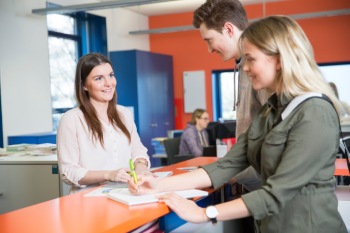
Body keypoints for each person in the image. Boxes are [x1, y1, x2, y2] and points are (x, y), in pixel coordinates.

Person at [129, 16, 347, 233]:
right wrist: (156, 185)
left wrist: (205, 213)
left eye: (251, 59)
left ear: (279, 60)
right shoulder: (268, 111)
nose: (244, 68)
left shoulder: (315, 112)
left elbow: (278, 192)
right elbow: (228, 164)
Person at [193, 0, 269, 192]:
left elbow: (276, 139)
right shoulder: (242, 65)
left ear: (228, 29)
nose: (209, 50)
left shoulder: (260, 69)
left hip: (267, 186)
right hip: (253, 180)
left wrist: (229, 173)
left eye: (209, 40)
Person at [57, 53, 151, 194]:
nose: (109, 83)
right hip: (89, 200)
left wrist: (141, 168)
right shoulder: (71, 119)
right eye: (99, 78)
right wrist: (109, 175)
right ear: (84, 86)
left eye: (111, 75)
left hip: (125, 193)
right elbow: (68, 172)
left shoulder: (123, 113)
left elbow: (137, 150)